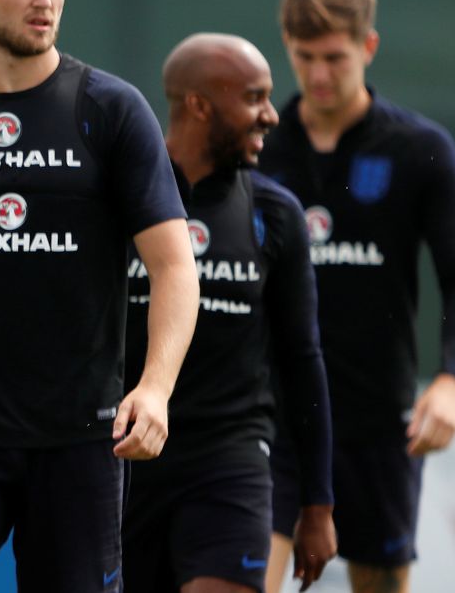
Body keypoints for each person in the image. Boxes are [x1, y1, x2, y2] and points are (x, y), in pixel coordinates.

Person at [0, 0, 200, 592]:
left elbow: (173, 266)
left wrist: (157, 388)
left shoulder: (109, 109)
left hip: (81, 439)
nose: (45, 1)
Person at [260, 0, 455, 593]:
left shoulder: (420, 149)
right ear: (286, 46)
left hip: (377, 425)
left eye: (334, 56)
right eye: (304, 57)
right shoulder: (262, 151)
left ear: (369, 46)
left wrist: (449, 382)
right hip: (272, 424)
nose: (319, 74)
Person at [122, 33, 336, 593]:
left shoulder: (274, 213)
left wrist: (317, 503)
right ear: (198, 104)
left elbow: (302, 359)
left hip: (231, 462)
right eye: (254, 97)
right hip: (124, 463)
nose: (271, 114)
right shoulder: (118, 201)